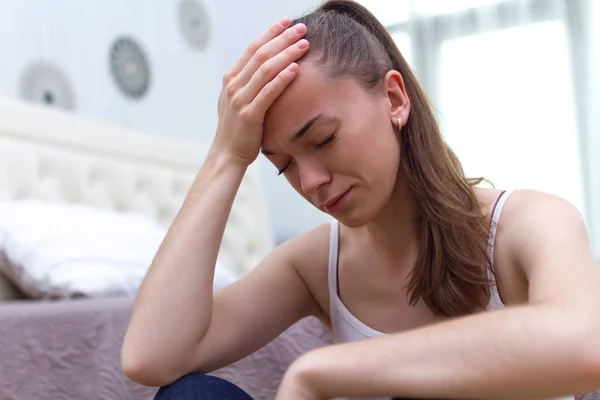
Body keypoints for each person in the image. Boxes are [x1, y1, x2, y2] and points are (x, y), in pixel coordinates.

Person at [121, 1, 600, 399]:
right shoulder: (314, 265)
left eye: (324, 139)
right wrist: (226, 156)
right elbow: (150, 356)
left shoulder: (527, 223)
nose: (309, 181)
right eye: (283, 165)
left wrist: (325, 370)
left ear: (394, 99)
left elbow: (585, 343)